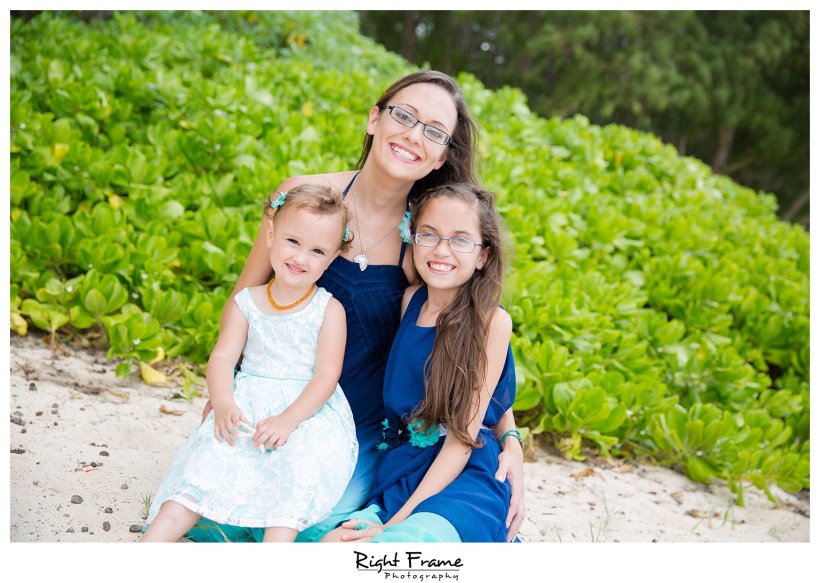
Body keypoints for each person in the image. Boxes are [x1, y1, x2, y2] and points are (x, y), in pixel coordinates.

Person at [188, 70, 525, 543]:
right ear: (374, 119)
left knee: (310, 527)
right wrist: (223, 393)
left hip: (356, 427)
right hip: (273, 402)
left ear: (442, 155)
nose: (413, 135)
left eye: (433, 131)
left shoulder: (425, 243)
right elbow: (245, 296)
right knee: (211, 511)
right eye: (404, 116)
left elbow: (473, 338)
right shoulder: (302, 197)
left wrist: (510, 438)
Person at [141, 184, 358, 542]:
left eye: (317, 250)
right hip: (248, 399)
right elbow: (224, 357)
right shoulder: (248, 301)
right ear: (271, 234)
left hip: (304, 410)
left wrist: (289, 420)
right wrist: (224, 401)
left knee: (295, 463)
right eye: (293, 241)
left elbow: (326, 375)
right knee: (211, 458)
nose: (301, 258)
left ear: (333, 258)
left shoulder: (328, 309)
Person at [323, 182, 516, 542]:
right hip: (405, 466)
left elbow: (462, 438)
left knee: (397, 545)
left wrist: (395, 522)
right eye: (429, 235)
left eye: (461, 240)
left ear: (483, 256)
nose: (442, 250)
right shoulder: (410, 300)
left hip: (464, 476)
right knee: (333, 543)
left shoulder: (492, 322)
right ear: (412, 239)